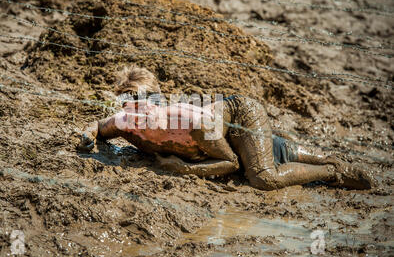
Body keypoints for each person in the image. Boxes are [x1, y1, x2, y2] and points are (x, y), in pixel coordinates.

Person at [77, 66, 375, 190]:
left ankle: (333, 171)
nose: (137, 116)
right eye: (129, 108)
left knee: (262, 178)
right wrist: (86, 138)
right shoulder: (125, 123)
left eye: (144, 107)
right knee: (268, 154)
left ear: (158, 102)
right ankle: (315, 155)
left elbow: (230, 163)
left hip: (241, 115)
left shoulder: (188, 123)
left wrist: (184, 169)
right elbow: (96, 128)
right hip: (224, 134)